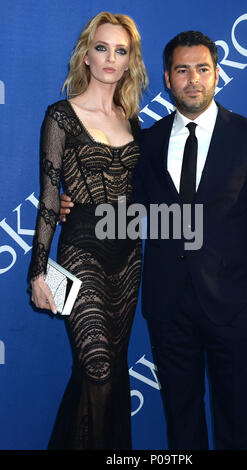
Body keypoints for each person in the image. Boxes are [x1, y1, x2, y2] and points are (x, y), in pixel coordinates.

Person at [60, 30, 247, 450]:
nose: (192, 79)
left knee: (237, 421)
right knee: (181, 423)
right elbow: (130, 213)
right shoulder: (147, 141)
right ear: (168, 78)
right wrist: (75, 208)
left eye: (202, 69)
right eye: (182, 70)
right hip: (169, 309)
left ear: (217, 75)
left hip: (236, 306)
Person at [28, 11, 148, 450]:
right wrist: (37, 273)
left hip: (130, 253)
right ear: (86, 56)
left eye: (121, 50)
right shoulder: (61, 116)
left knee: (108, 373)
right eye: (102, 48)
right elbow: (48, 196)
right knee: (96, 364)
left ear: (130, 59)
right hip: (81, 250)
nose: (110, 58)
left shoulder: (132, 121)